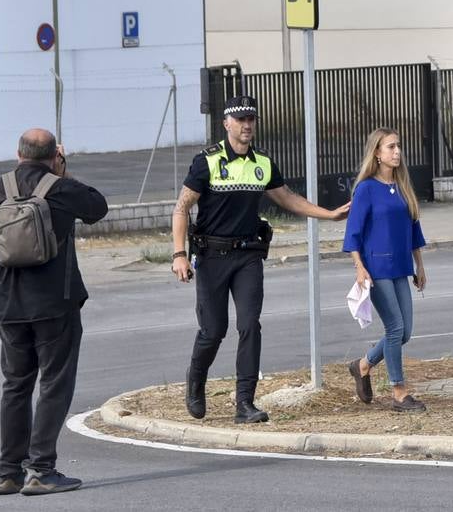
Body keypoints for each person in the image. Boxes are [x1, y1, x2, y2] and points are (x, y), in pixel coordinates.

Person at [171, 95, 349, 424]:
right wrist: (179, 254)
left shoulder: (262, 163)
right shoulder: (206, 161)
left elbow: (288, 198)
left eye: (251, 119)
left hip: (248, 257)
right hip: (211, 257)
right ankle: (195, 381)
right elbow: (182, 207)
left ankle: (244, 403)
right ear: (226, 124)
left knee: (250, 325)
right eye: (240, 119)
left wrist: (330, 215)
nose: (247, 125)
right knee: (213, 330)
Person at [0, 128, 108, 496]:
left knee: (15, 385)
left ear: (18, 154)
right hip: (54, 305)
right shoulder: (61, 189)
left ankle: (7, 472)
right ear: (53, 156)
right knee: (54, 384)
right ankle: (41, 470)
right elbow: (98, 207)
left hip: (7, 306)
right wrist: (62, 174)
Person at [343, 127, 428, 412]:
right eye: (390, 147)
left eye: (398, 146)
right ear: (377, 153)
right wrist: (359, 267)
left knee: (405, 332)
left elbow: (413, 226)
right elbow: (353, 233)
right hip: (376, 267)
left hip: (401, 266)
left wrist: (420, 264)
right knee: (394, 328)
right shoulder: (366, 188)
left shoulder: (403, 186)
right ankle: (399, 392)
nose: (397, 152)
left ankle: (363, 365)